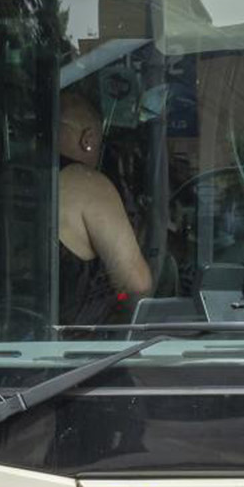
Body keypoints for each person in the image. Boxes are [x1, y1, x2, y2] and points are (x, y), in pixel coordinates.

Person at [58, 91, 154, 324]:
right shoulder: (85, 182)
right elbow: (135, 285)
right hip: (65, 349)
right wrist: (116, 304)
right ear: (88, 139)